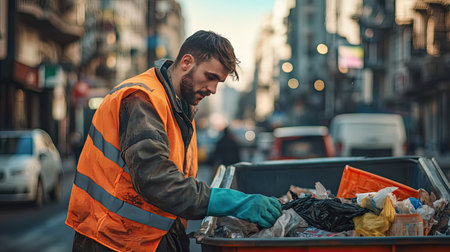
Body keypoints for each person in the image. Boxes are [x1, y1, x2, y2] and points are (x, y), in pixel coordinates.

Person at [65, 30, 282, 252]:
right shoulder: (142, 99)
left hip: (143, 241)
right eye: (210, 77)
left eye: (219, 82)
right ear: (187, 62)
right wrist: (233, 202)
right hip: (112, 242)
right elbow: (157, 180)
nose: (213, 89)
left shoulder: (179, 106)